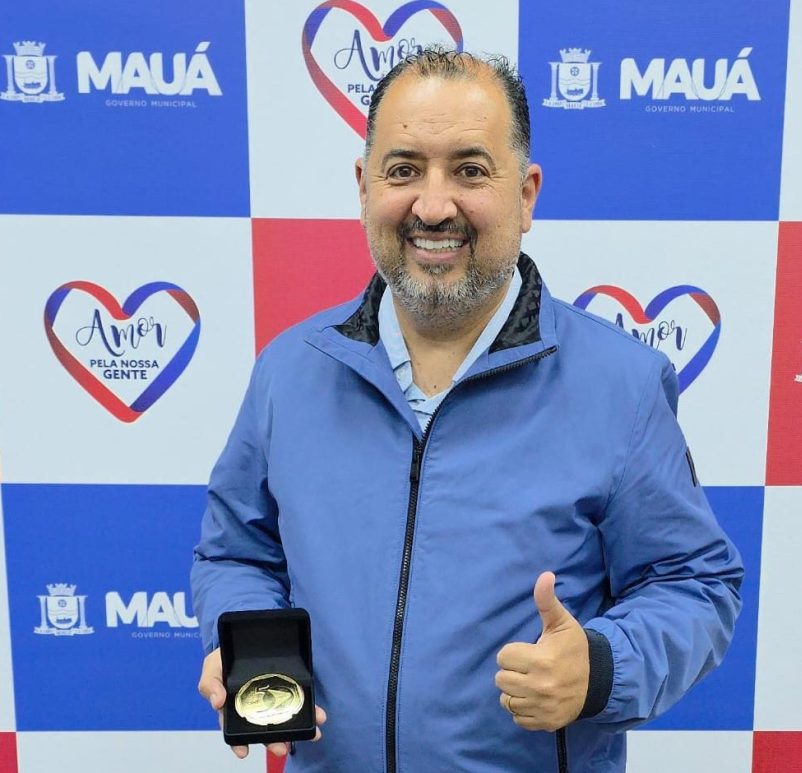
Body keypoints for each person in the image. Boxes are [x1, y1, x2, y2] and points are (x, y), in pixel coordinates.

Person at [192, 47, 743, 772]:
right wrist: (245, 638)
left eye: (470, 171)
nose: (432, 205)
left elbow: (695, 584)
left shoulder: (623, 384)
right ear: (363, 186)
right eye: (403, 170)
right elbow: (237, 550)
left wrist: (603, 665)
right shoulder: (289, 371)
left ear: (526, 195)